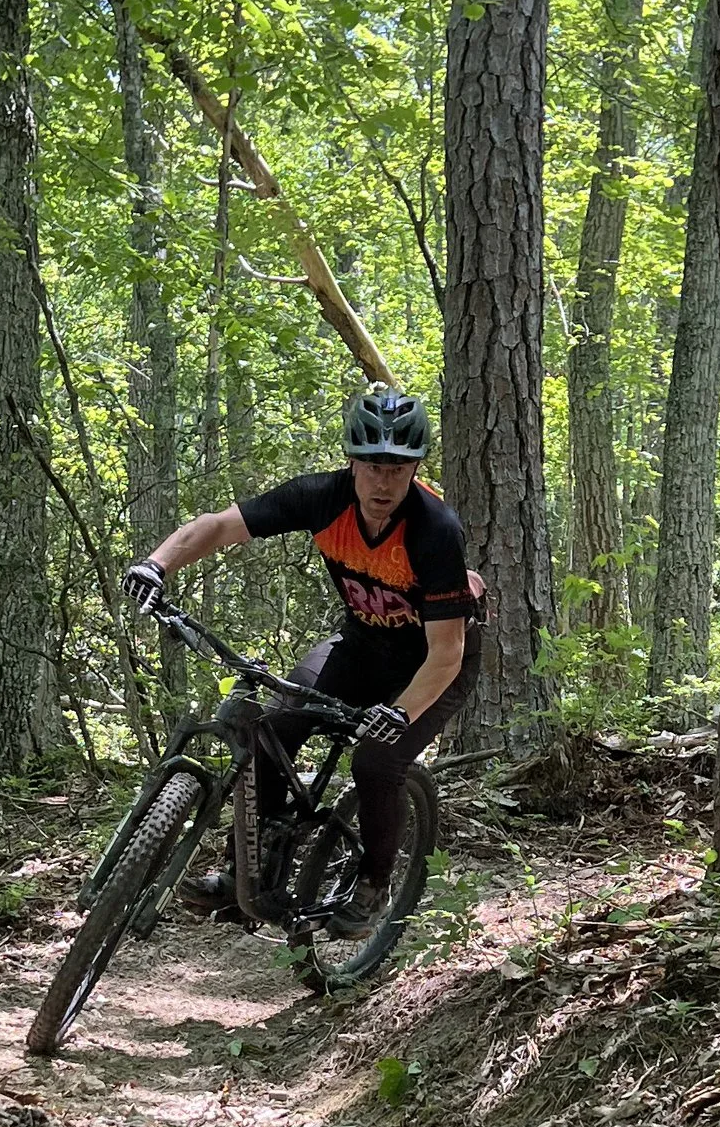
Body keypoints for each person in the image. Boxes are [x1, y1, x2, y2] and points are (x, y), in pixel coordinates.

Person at [122, 386, 483, 936]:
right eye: (372, 467)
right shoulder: (321, 498)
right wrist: (157, 564)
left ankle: (373, 886)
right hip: (361, 646)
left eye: (397, 469)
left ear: (415, 468)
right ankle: (246, 872)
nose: (383, 483)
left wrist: (399, 712)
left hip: (433, 666)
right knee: (273, 728)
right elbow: (220, 525)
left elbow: (447, 652)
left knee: (376, 762)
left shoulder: (434, 529)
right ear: (352, 462)